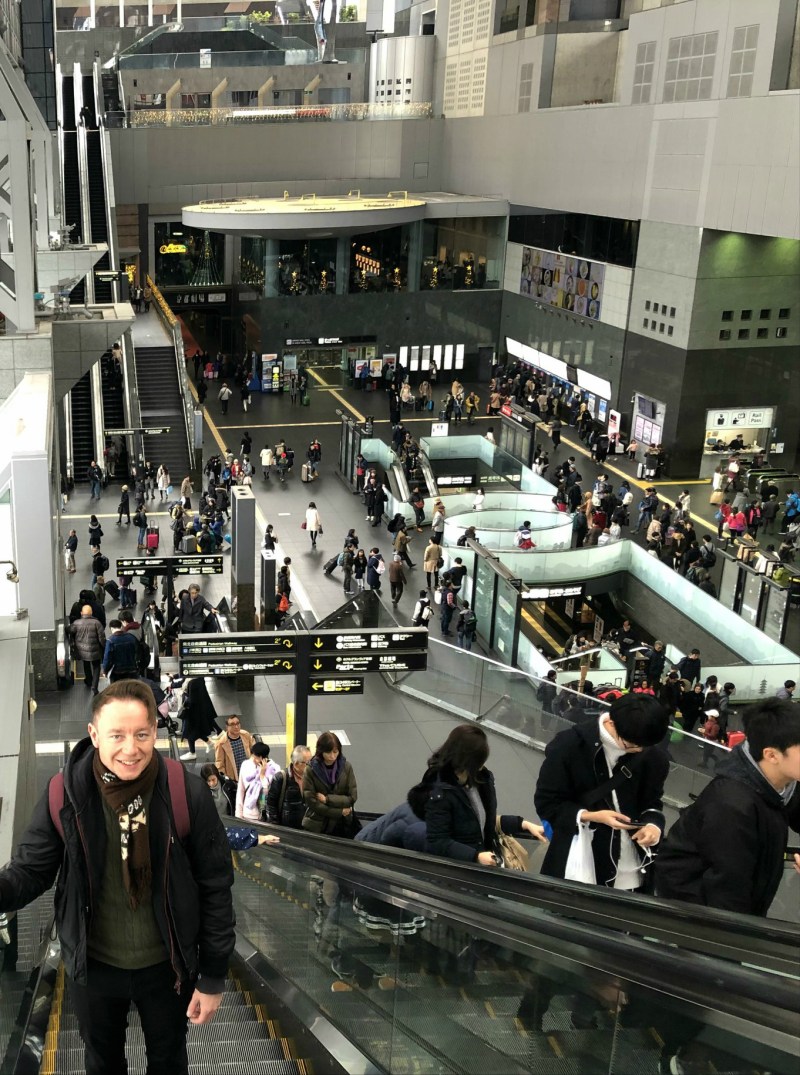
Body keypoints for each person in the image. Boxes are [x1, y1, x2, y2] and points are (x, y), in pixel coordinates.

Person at [0, 679, 235, 1074]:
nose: (131, 748)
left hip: (168, 967)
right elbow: (30, 870)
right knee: (102, 1062)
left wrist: (212, 976)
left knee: (168, 1060)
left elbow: (215, 886)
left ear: (155, 732)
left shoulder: (184, 792)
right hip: (95, 967)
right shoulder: (66, 794)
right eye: (117, 735)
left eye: (142, 734)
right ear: (94, 735)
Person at [655, 698, 800, 916]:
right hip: (703, 917)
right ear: (772, 755)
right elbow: (728, 890)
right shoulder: (732, 806)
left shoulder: (782, 781)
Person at [534, 694, 670, 889]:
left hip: (636, 871)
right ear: (612, 724)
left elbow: (652, 802)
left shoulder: (652, 755)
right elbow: (547, 803)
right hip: (581, 867)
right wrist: (592, 816)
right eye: (631, 745)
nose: (639, 750)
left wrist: (654, 825)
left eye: (644, 746)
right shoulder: (569, 746)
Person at [415, 724, 546, 866]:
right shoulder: (440, 793)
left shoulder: (480, 780)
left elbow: (482, 821)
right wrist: (475, 856)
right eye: (480, 759)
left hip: (483, 864)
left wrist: (522, 824)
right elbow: (437, 841)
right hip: (463, 872)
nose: (483, 763)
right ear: (469, 760)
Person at [301, 731, 358, 836]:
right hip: (318, 825)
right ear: (321, 751)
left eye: (335, 752)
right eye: (328, 752)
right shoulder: (311, 770)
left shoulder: (346, 767)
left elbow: (352, 798)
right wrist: (339, 812)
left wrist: (327, 799)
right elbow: (312, 802)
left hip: (342, 825)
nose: (332, 756)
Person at [266, 745, 312, 828]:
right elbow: (270, 804)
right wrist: (275, 827)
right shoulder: (281, 777)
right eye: (308, 763)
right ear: (296, 763)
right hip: (287, 829)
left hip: (307, 828)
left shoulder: (312, 777)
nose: (312, 765)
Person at [178, 676, 222, 761]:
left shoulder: (193, 682)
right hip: (198, 711)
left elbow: (191, 700)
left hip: (192, 712)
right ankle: (209, 742)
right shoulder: (198, 679)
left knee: (190, 732)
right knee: (195, 731)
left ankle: (192, 752)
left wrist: (183, 694)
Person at [235, 742, 280, 821]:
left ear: (263, 758)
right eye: (252, 756)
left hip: (264, 814)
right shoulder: (246, 765)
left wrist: (262, 775)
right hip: (248, 813)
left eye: (256, 758)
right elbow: (241, 790)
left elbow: (267, 792)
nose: (253, 760)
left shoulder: (274, 769)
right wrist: (238, 814)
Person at [70, 605, 106, 695]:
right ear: (91, 613)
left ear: (81, 613)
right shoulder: (97, 623)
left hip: (82, 649)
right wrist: (104, 647)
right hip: (95, 650)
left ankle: (88, 680)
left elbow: (70, 630)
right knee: (96, 667)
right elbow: (102, 638)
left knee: (86, 664)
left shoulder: (77, 623)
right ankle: (94, 687)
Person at [214, 715, 255, 781]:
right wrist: (225, 778)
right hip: (233, 777)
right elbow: (219, 763)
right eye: (232, 724)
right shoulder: (221, 743)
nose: (236, 727)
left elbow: (252, 751)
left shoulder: (245, 735)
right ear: (227, 727)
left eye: (237, 723)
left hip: (248, 773)